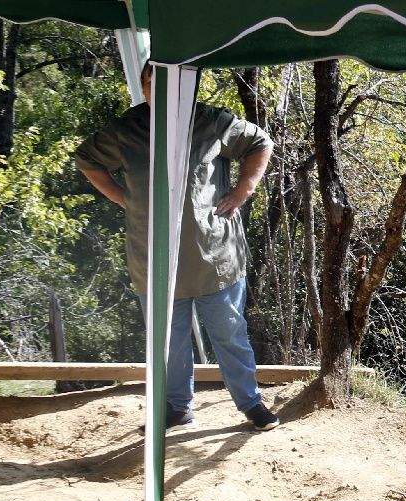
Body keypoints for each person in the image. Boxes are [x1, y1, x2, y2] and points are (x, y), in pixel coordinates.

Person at [75, 68, 280, 432]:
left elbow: (260, 143)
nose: (163, 92)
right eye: (154, 85)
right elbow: (87, 159)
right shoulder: (128, 129)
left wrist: (244, 189)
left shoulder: (210, 122)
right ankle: (177, 408)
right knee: (168, 342)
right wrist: (125, 200)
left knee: (229, 333)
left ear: (188, 87)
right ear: (144, 88)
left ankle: (251, 404)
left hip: (214, 256)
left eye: (172, 85)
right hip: (152, 257)